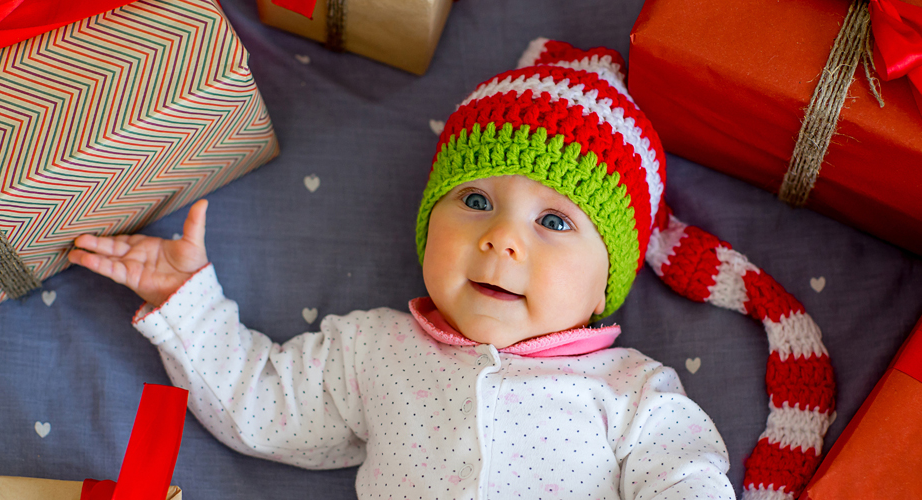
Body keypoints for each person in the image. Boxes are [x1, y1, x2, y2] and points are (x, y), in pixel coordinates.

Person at [67, 39, 835, 500]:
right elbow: (263, 406)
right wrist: (185, 300)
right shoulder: (372, 351)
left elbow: (684, 478)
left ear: (609, 282)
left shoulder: (630, 391)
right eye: (474, 200)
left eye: (554, 222)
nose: (502, 238)